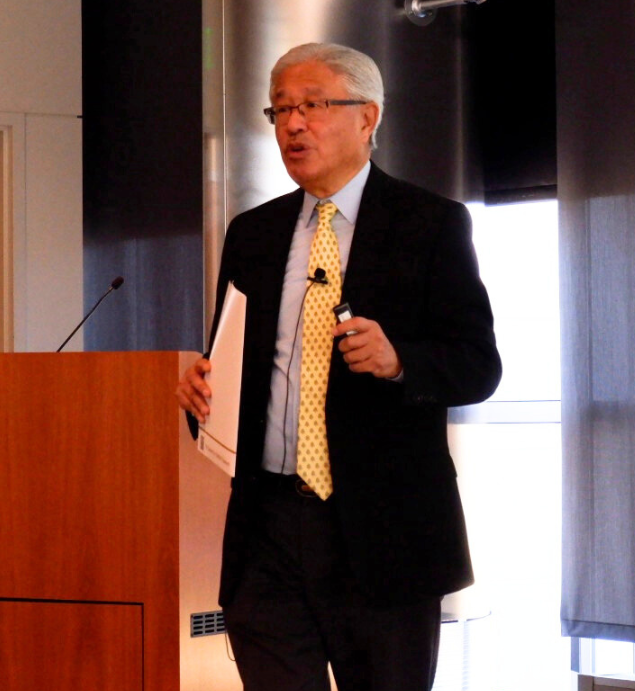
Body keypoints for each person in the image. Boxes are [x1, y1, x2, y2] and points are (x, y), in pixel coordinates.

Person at [175, 42, 501, 691]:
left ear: (367, 117)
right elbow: (234, 357)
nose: (294, 124)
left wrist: (400, 360)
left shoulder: (430, 224)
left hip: (383, 532)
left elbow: (478, 364)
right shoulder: (254, 234)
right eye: (281, 110)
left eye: (314, 105)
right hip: (266, 524)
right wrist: (203, 388)